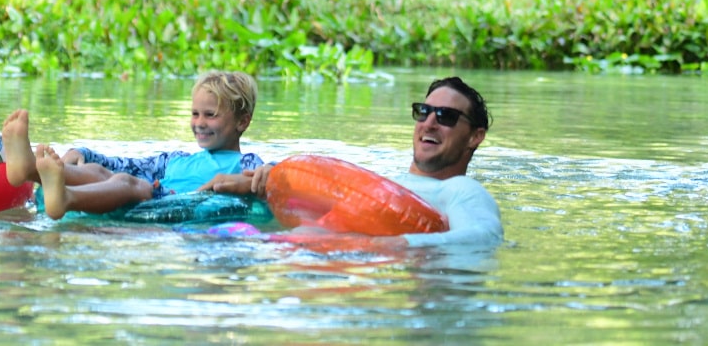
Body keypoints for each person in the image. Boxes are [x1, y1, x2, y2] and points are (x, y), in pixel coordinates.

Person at [209, 75, 503, 247]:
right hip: (282, 249)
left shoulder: (462, 191)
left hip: (332, 268)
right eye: (423, 112)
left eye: (446, 117)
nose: (429, 123)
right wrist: (272, 182)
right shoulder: (387, 185)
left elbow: (482, 236)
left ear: (475, 137)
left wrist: (399, 243)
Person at [0, 70, 265, 219]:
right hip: (149, 194)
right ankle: (29, 170)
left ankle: (67, 198)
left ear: (242, 122)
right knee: (102, 171)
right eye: (195, 114)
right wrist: (82, 152)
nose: (200, 123)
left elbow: (276, 178)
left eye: (211, 115)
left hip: (166, 204)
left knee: (129, 182)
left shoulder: (247, 164)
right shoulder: (174, 160)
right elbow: (124, 163)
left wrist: (241, 182)